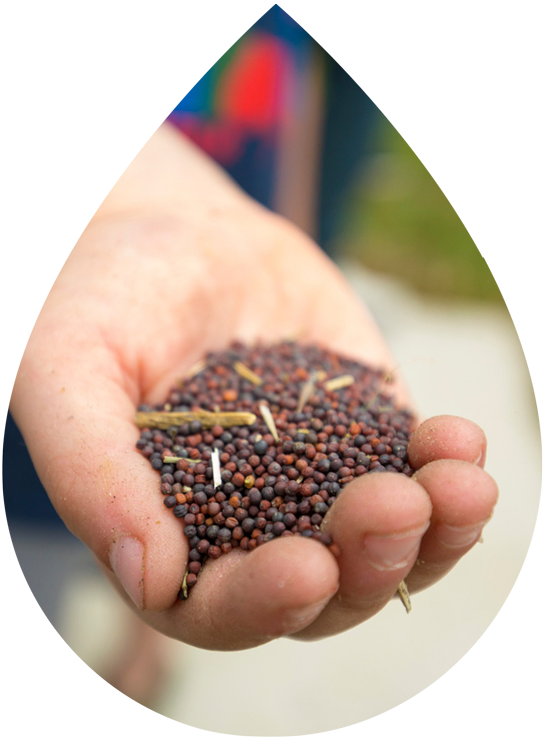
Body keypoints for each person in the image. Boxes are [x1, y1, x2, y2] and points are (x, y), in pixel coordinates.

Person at [3, 4, 498, 730]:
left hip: (233, 219)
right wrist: (120, 202)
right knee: (45, 564)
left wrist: (285, 229)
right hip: (39, 279)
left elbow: (293, 66)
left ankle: (145, 649)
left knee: (164, 546)